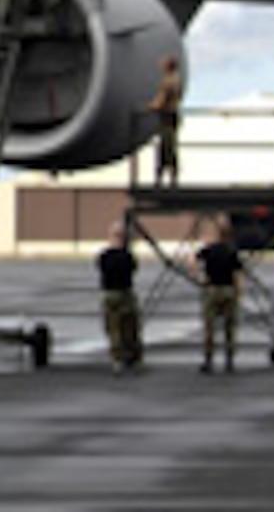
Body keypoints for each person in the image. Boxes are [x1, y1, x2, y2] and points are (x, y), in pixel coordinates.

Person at [197, 218, 242, 373]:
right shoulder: (231, 252)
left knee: (209, 327)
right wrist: (238, 292)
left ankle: (208, 359)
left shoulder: (209, 250)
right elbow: (237, 275)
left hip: (212, 289)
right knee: (229, 327)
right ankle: (229, 360)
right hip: (228, 289)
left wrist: (200, 278)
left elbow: (194, 259)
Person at [97, 221, 141, 374]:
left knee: (113, 328)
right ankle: (132, 356)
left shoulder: (104, 256)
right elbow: (134, 268)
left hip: (110, 293)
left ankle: (117, 358)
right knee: (129, 326)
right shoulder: (127, 256)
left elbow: (101, 268)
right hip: (125, 292)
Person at [147, 55, 185, 189]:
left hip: (166, 116)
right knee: (169, 147)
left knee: (166, 148)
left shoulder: (168, 81)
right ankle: (172, 177)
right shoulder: (177, 80)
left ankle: (163, 178)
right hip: (173, 115)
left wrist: (151, 106)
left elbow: (161, 100)